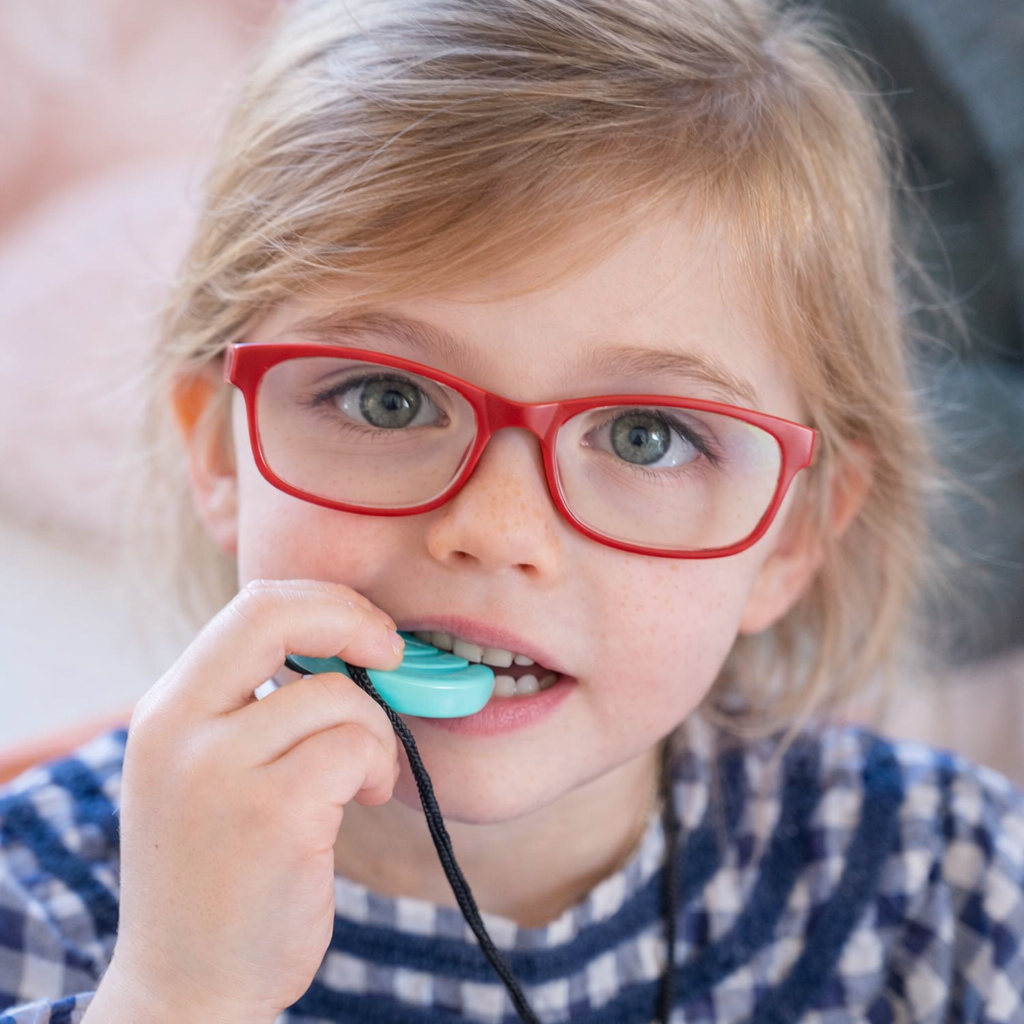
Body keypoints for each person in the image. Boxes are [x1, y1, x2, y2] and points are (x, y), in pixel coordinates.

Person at [2, 0, 1023, 1021]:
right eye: (386, 400)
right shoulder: (36, 902)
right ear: (222, 450)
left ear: (793, 532)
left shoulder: (949, 887)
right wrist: (176, 994)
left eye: (646, 437)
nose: (494, 530)